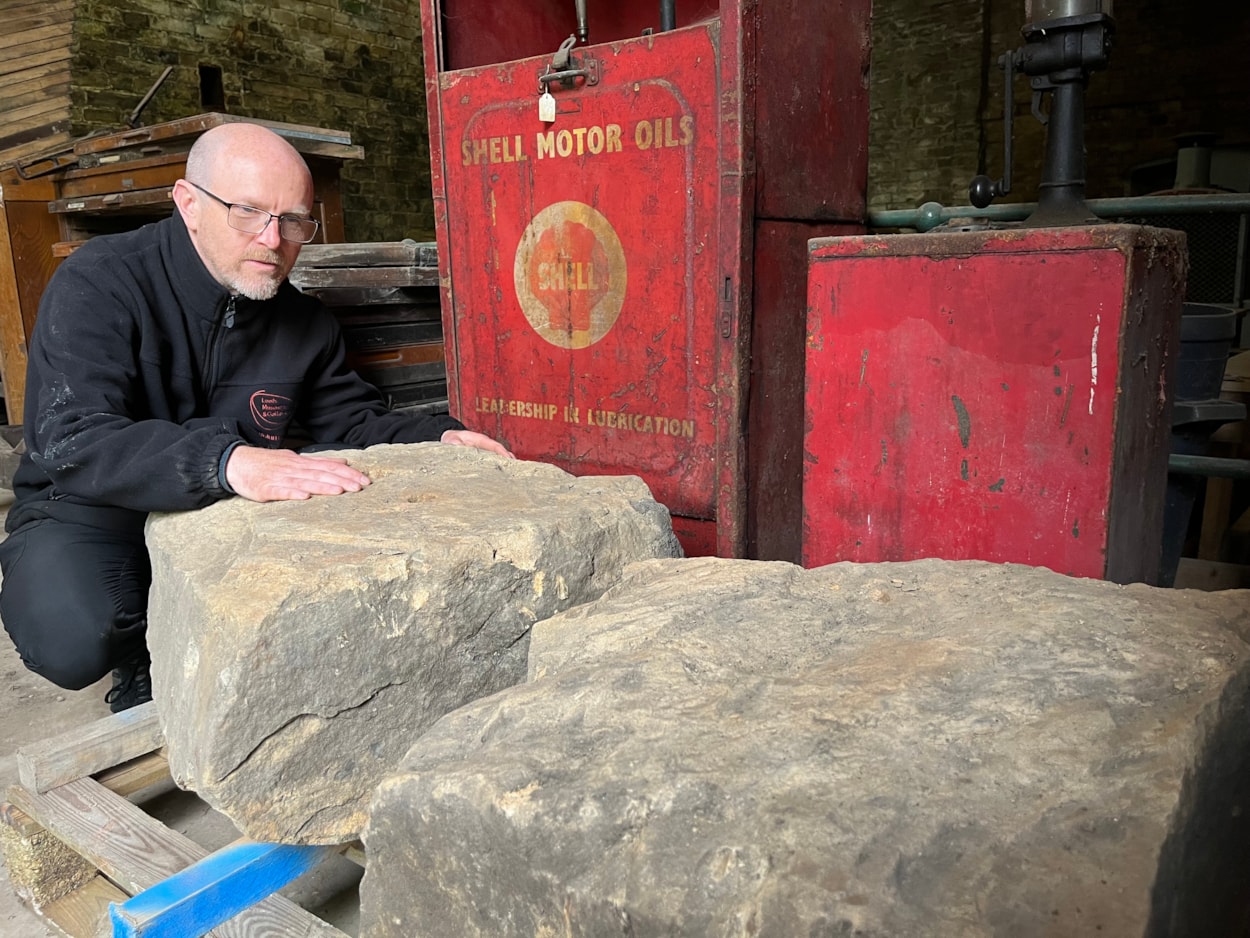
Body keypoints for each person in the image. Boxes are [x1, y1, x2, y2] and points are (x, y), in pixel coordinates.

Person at [0, 122, 511, 713]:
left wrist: (439, 435)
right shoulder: (100, 281)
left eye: (294, 220)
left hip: (227, 502)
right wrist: (227, 461)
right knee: (72, 636)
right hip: (93, 499)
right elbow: (73, 438)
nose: (273, 240)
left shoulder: (303, 321)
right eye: (248, 212)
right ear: (188, 204)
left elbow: (353, 423)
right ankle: (138, 649)